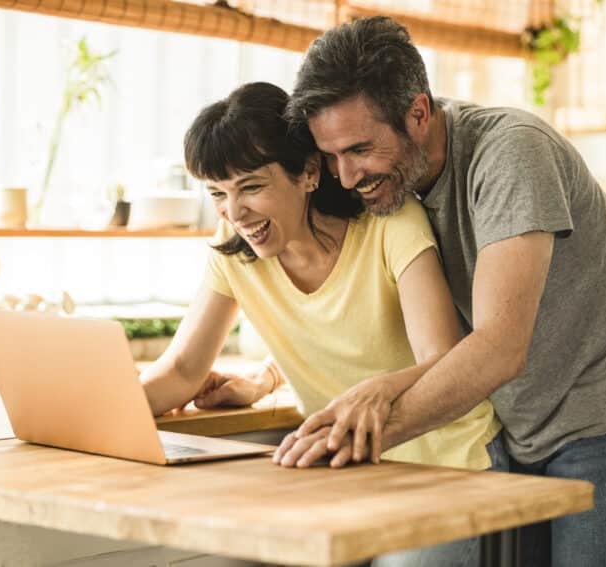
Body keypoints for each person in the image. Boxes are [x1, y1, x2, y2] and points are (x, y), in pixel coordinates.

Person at [274, 16, 606, 567]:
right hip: (517, 421)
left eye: (359, 149)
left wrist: (357, 438)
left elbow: (499, 347)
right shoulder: (389, 187)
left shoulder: (511, 153)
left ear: (419, 113)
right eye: (330, 156)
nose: (345, 176)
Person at [139, 81, 502, 566]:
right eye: (217, 193)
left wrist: (377, 388)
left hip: (447, 466)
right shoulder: (234, 248)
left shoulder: (390, 225)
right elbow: (183, 369)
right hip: (343, 470)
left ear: (309, 173)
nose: (234, 211)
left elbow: (443, 359)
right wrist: (94, 413)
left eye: (251, 187)